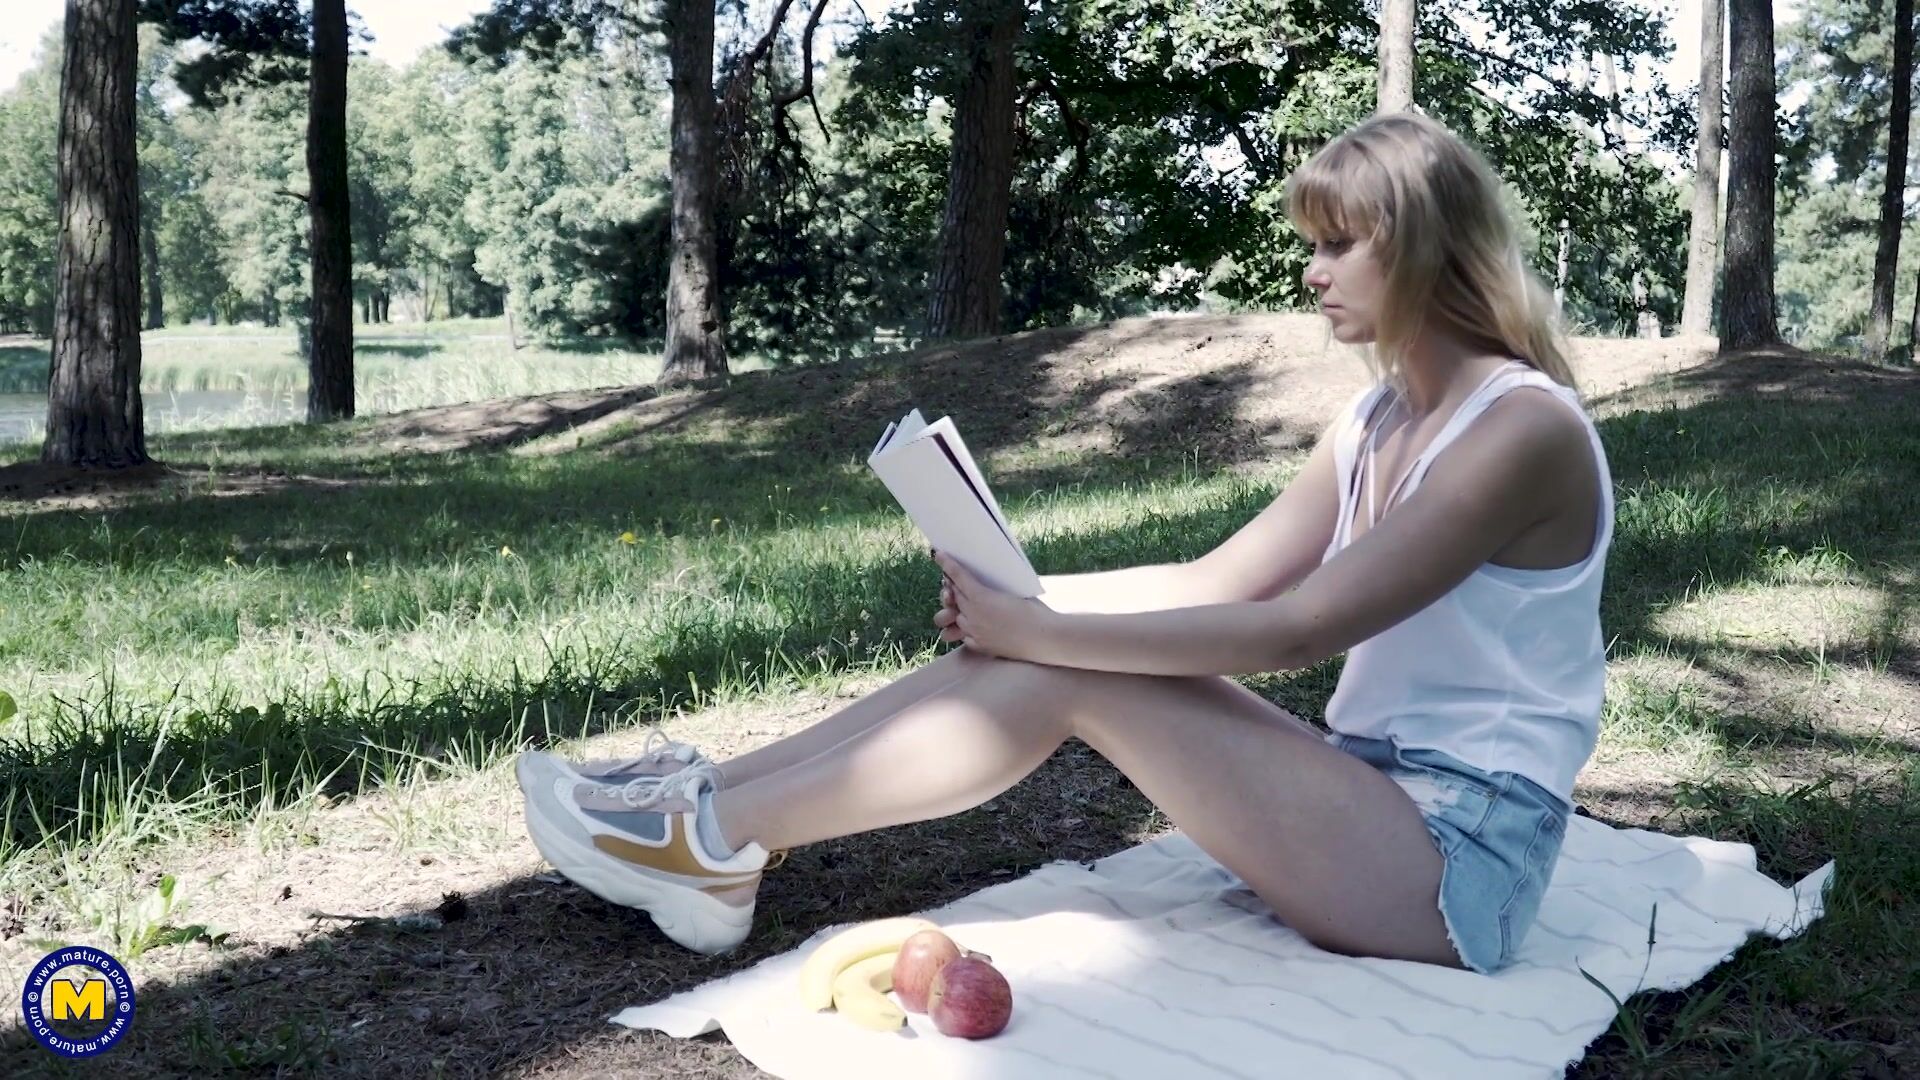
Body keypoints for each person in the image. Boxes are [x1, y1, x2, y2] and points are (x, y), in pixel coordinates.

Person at [514, 112, 1613, 975]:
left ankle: (710, 838)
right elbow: (1219, 580)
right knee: (1033, 650)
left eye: (1338, 245)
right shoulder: (1378, 417)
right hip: (1372, 802)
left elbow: (1294, 630)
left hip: (1460, 868)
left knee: (1062, 667)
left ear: (1421, 243)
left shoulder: (1521, 430)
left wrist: (1041, 632)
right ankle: (706, 807)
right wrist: (1025, 604)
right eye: (1310, 246)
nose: (1311, 272)